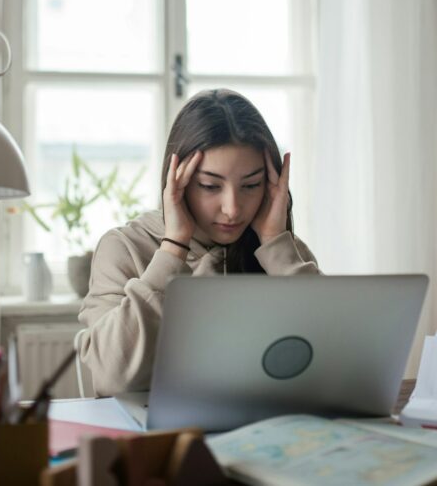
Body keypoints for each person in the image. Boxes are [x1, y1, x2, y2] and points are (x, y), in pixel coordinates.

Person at [77, 89, 320, 396]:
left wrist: (276, 244)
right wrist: (173, 248)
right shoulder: (124, 248)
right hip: (160, 440)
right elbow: (112, 378)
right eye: (209, 186)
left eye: (251, 185)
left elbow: (339, 357)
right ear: (177, 181)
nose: (232, 208)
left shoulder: (284, 251)